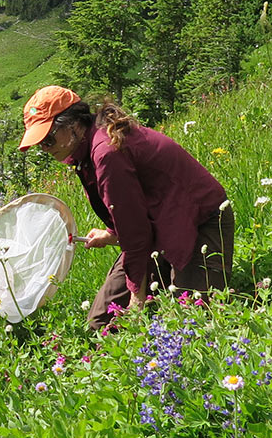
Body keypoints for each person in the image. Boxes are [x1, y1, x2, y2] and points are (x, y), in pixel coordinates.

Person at [18, 85, 233, 330]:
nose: (45, 148)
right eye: (40, 144)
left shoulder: (106, 153)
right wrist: (111, 234)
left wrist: (136, 298)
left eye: (48, 139)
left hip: (198, 222)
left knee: (191, 322)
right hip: (159, 228)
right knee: (101, 325)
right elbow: (131, 211)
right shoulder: (86, 151)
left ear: (74, 124)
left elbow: (136, 235)